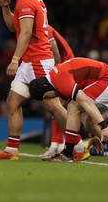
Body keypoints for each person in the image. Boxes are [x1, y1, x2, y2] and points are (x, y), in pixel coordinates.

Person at [0, 0, 83, 160]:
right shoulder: (32, 0)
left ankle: (79, 146)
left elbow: (26, 32)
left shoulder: (26, 1)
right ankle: (11, 150)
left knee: (52, 105)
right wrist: (5, 8)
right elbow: (14, 27)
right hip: (29, 62)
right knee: (13, 101)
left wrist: (14, 59)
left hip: (37, 60)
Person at [29, 57, 108, 163]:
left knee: (73, 106)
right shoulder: (56, 77)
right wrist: (92, 135)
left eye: (47, 97)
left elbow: (86, 102)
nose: (52, 98)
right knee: (87, 120)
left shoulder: (59, 78)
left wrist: (104, 126)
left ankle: (67, 153)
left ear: (45, 90)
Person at [40, 25, 75, 159]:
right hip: (62, 65)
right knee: (57, 107)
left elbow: (56, 54)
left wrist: (55, 75)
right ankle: (57, 145)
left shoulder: (45, 28)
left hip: (64, 66)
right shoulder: (41, 28)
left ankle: (59, 145)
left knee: (57, 106)